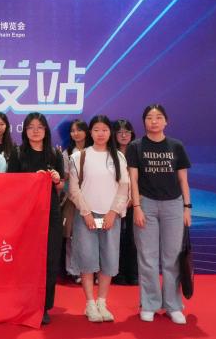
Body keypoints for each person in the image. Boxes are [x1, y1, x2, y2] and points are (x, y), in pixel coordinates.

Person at [126, 104, 192, 325]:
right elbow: (133, 179)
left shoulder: (176, 146)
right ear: (144, 121)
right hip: (146, 204)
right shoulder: (136, 146)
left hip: (174, 205)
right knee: (148, 258)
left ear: (166, 121)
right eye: (149, 117)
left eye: (159, 117)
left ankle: (173, 305)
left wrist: (187, 207)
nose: (154, 121)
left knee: (172, 257)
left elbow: (183, 180)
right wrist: (137, 207)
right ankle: (149, 304)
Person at [68, 115, 129, 323]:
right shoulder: (79, 157)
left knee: (109, 260)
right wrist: (86, 213)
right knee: (87, 260)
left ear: (110, 132)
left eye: (104, 130)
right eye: (96, 130)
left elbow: (124, 187)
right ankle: (90, 304)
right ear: (90, 132)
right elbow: (74, 189)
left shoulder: (118, 157)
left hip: (111, 216)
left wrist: (113, 212)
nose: (100, 134)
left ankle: (102, 302)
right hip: (86, 216)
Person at [17, 112, 63, 325]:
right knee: (26, 259)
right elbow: (10, 184)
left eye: (39, 127)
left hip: (50, 213)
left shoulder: (54, 154)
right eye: (31, 127)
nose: (35, 131)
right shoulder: (18, 154)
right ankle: (25, 303)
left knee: (49, 259)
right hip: (25, 214)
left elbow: (61, 186)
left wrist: (57, 180)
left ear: (46, 130)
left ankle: (44, 306)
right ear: (25, 131)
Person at [61, 119, 92, 283]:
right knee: (71, 236)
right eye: (73, 131)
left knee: (92, 235)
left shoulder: (95, 150)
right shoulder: (67, 153)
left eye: (79, 130)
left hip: (93, 199)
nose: (76, 133)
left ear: (86, 132)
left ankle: (92, 270)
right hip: (72, 200)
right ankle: (73, 270)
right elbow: (65, 177)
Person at [112, 119, 138, 286]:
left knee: (133, 239)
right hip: (114, 203)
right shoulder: (110, 154)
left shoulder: (137, 151)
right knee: (116, 239)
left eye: (127, 132)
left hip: (135, 203)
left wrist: (134, 198)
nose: (123, 135)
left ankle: (133, 273)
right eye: (120, 132)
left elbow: (142, 179)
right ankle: (118, 273)